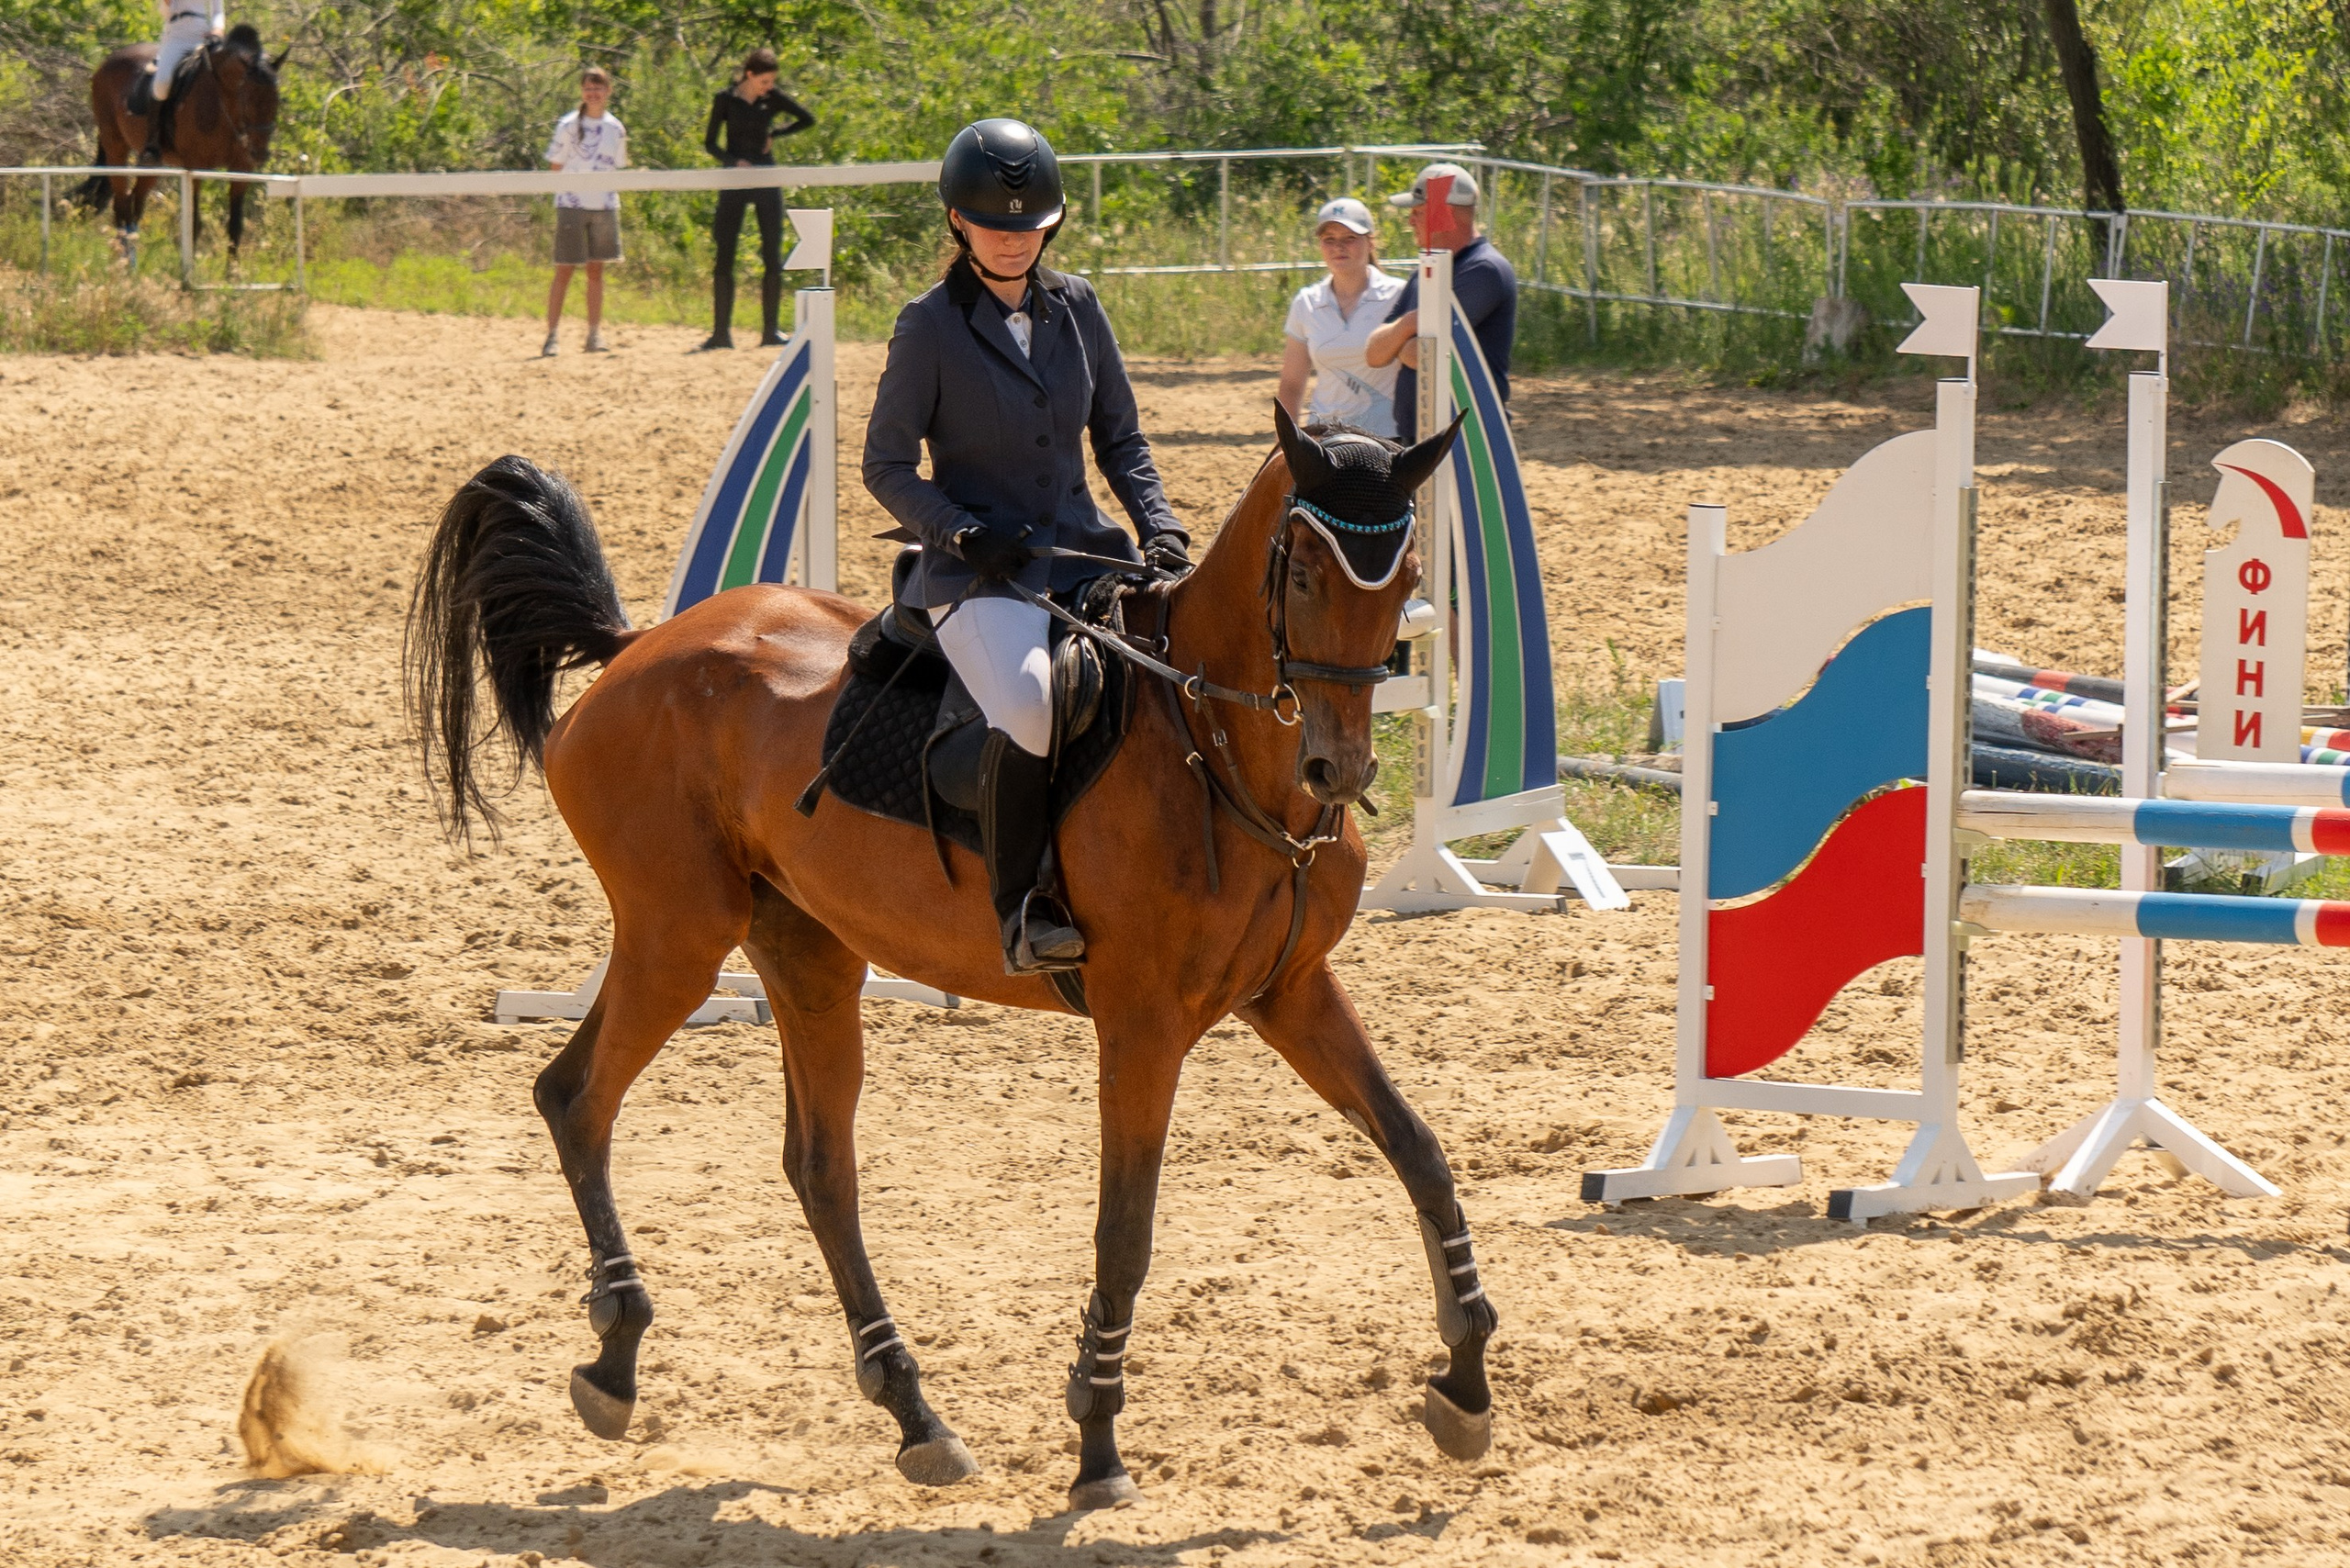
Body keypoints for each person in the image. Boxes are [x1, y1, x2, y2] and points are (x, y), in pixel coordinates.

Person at [863, 118, 1191, 975]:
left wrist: (1160, 526)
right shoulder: (928, 326)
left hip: (1087, 553)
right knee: (1030, 704)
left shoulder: (1078, 307)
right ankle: (1023, 909)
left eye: (1030, 228)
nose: (1015, 242)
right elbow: (886, 465)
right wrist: (963, 532)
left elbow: (1122, 441)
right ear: (958, 225)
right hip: (981, 579)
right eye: (996, 227)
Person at [1365, 162, 1518, 443]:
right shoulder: (1424, 274)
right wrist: (1412, 322)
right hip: (1420, 439)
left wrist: (1400, 340)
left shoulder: (1485, 269)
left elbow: (1425, 354)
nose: (1410, 221)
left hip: (1470, 442)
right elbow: (1374, 353)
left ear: (1443, 214)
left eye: (1418, 212)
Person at [699, 48, 816, 351]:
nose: (768, 86)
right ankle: (720, 333)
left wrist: (775, 134)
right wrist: (732, 161)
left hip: (766, 176)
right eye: (764, 81)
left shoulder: (772, 98)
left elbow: (807, 118)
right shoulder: (724, 99)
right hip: (734, 177)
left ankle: (770, 331)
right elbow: (710, 143)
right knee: (725, 251)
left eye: (771, 81)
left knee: (772, 252)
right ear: (749, 75)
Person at [1276, 196, 1407, 438]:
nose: (1339, 247)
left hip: (1385, 437)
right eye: (1329, 240)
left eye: (1350, 238)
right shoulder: (1306, 303)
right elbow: (1292, 384)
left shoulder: (1399, 295)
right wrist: (1286, 444)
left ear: (1370, 243)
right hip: (1325, 436)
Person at [542, 67, 627, 358]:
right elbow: (555, 165)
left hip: (603, 206)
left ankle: (594, 334)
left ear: (608, 91)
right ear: (582, 91)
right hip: (572, 205)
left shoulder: (616, 128)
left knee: (596, 271)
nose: (593, 93)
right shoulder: (568, 125)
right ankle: (552, 335)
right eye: (589, 88)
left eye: (599, 88)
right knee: (563, 270)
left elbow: (618, 168)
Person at [138, 0, 225, 166]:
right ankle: (152, 145)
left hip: (203, 34)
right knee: (162, 84)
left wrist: (217, 30)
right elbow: (164, 12)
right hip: (176, 36)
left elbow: (218, 11)